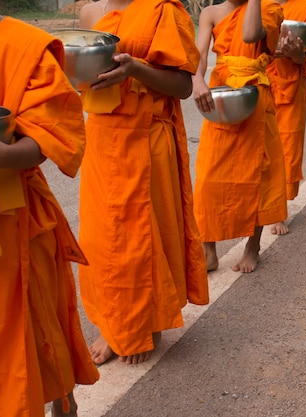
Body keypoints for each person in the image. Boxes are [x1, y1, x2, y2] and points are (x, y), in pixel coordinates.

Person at [0, 1, 99, 416]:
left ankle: (62, 398)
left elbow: (56, 133)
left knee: (20, 336)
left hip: (8, 222)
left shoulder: (27, 46)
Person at [77, 0, 210, 366]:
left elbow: (183, 85)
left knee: (146, 236)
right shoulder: (91, 12)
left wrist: (135, 69)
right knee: (102, 238)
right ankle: (112, 322)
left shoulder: (161, 10)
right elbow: (78, 75)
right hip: (103, 137)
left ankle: (146, 320)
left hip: (147, 137)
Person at [192, 0, 287, 273]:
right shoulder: (210, 13)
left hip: (254, 95)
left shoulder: (267, 8)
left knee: (257, 174)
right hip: (221, 97)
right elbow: (199, 54)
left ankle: (252, 246)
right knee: (209, 176)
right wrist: (198, 80)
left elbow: (249, 35)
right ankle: (208, 250)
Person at [266, 0, 306, 234]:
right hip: (260, 80)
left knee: (287, 146)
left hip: (291, 84)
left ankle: (279, 209)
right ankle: (259, 201)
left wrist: (297, 55)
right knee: (258, 146)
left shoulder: (304, 6)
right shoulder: (257, 6)